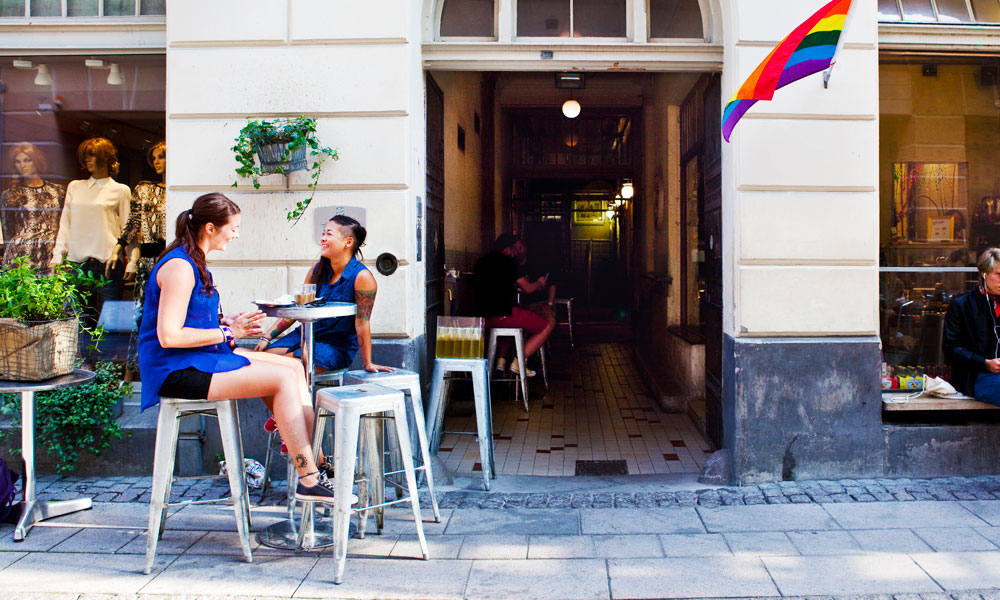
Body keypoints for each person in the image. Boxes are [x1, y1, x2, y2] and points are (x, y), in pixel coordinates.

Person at [138, 193, 340, 503]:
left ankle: (314, 456)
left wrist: (222, 320)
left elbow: (190, 318)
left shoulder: (192, 261)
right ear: (210, 227)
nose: (236, 234)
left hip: (200, 359)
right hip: (177, 369)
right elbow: (169, 336)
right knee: (282, 379)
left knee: (292, 367)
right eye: (233, 228)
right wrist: (227, 331)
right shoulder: (180, 267)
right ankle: (309, 477)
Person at [256, 215, 394, 375]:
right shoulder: (317, 270)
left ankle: (302, 401)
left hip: (335, 346)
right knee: (261, 364)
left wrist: (368, 362)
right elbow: (300, 308)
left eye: (329, 234)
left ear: (347, 242)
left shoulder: (362, 277)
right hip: (305, 335)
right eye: (323, 234)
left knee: (281, 371)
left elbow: (362, 323)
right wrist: (266, 337)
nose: (322, 238)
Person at [50, 138, 132, 324]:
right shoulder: (75, 187)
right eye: (85, 156)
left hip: (107, 264)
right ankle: (77, 355)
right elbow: (65, 224)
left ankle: (107, 355)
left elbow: (127, 228)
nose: (87, 160)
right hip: (77, 264)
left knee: (108, 326)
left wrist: (132, 260)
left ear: (105, 157)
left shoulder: (120, 190)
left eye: (92, 155)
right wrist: (58, 255)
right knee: (75, 324)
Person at [473, 233, 554, 375]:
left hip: (483, 318)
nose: (515, 253)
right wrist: (540, 283)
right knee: (545, 326)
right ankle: (519, 362)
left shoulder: (480, 262)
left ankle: (500, 362)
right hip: (502, 314)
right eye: (513, 250)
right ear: (506, 249)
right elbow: (528, 288)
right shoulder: (509, 263)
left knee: (512, 326)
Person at [943, 247, 1000, 406]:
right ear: (984, 274)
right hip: (975, 375)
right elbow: (950, 348)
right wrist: (985, 363)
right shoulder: (961, 304)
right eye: (998, 275)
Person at [0, 143, 66, 270]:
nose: (22, 166)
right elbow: (7, 232)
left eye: (27, 160)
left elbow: (65, 225)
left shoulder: (58, 191)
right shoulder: (10, 194)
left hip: (52, 253)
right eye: (17, 162)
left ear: (36, 161)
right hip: (22, 254)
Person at [512, 236, 557, 326]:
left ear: (525, 248)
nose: (518, 252)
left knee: (549, 322)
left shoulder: (536, 264)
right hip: (518, 307)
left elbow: (552, 284)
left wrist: (550, 304)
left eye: (520, 248)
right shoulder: (512, 266)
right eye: (515, 249)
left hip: (538, 304)